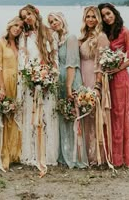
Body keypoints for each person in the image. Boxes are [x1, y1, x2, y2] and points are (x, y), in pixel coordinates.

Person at [16, 4, 59, 177]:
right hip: (30, 81)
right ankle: (31, 153)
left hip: (47, 79)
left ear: (35, 13)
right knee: (31, 117)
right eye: (23, 16)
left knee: (47, 116)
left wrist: (50, 76)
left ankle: (48, 154)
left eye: (28, 15)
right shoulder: (24, 37)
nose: (27, 18)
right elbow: (22, 57)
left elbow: (54, 57)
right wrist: (30, 76)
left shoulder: (49, 33)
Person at [98, 3, 129, 168]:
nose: (107, 17)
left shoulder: (125, 32)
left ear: (114, 12)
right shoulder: (105, 33)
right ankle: (110, 156)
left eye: (109, 13)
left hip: (120, 79)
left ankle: (121, 158)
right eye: (104, 16)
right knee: (109, 116)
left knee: (120, 117)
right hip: (107, 79)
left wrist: (118, 67)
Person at [48, 12, 88, 168]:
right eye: (51, 21)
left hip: (71, 80)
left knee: (74, 116)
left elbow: (72, 64)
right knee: (64, 116)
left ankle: (76, 156)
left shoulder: (71, 38)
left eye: (56, 20)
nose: (53, 23)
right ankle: (64, 154)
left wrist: (69, 86)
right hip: (61, 80)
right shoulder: (56, 40)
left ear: (62, 20)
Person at [78, 6, 112, 166]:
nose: (90, 19)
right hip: (82, 77)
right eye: (87, 17)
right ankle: (87, 154)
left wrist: (98, 86)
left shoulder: (101, 37)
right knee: (85, 117)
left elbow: (101, 64)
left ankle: (98, 156)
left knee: (95, 116)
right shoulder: (84, 37)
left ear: (98, 19)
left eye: (93, 17)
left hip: (93, 77)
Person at [0, 16, 23, 171]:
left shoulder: (19, 43)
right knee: (5, 117)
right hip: (5, 80)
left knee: (16, 116)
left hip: (18, 82)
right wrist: (2, 87)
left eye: (20, 27)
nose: (17, 28)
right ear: (10, 24)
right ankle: (4, 155)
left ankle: (15, 153)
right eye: (15, 25)